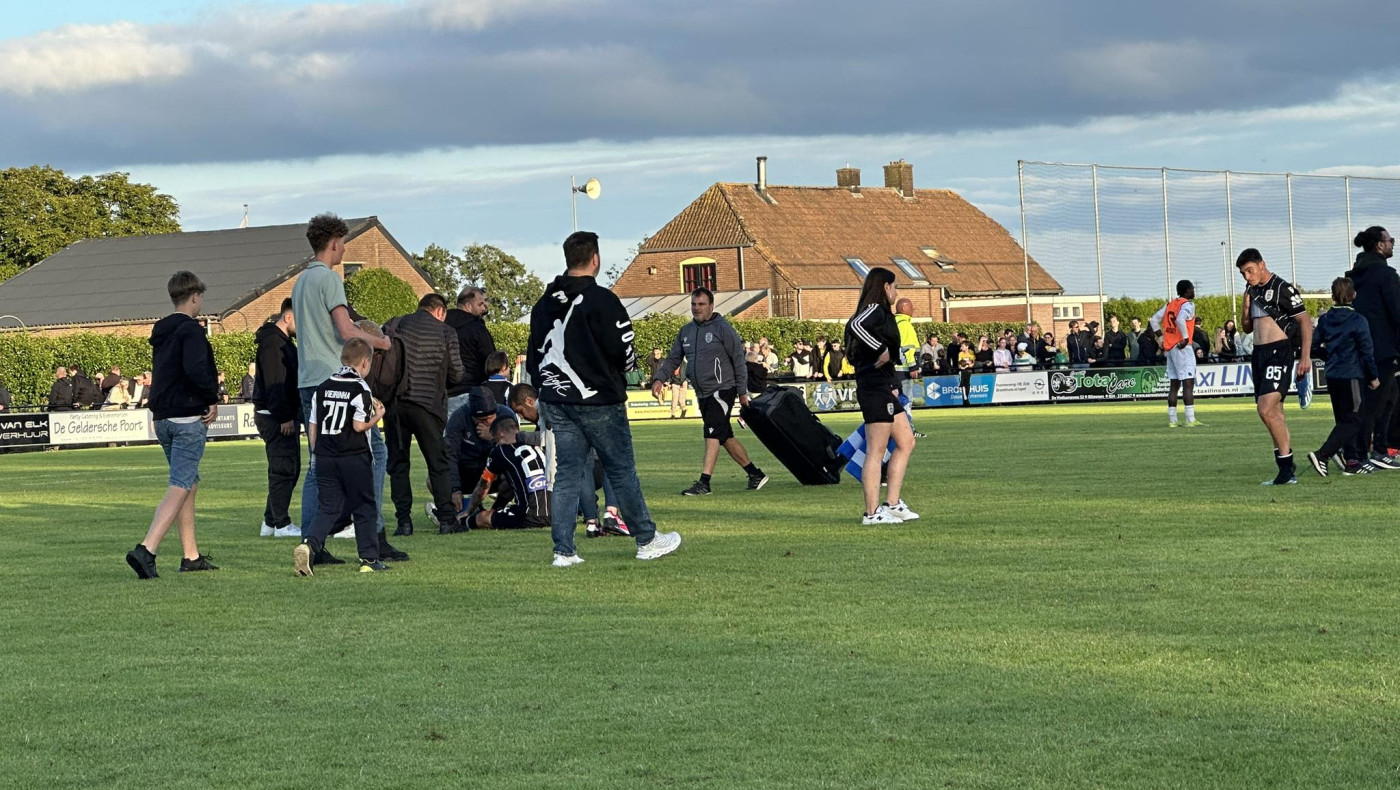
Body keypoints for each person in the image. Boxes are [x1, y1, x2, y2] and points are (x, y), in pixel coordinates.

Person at [526, 230, 681, 566]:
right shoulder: (602, 299)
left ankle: (563, 550)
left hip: (557, 399)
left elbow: (534, 353)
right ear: (595, 259)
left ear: (568, 259)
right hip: (598, 399)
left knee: (567, 473)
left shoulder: (543, 304)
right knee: (621, 469)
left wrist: (545, 387)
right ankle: (646, 538)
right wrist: (622, 372)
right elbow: (623, 347)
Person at [290, 213, 399, 562]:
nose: (344, 249)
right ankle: (375, 534)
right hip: (336, 376)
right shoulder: (330, 280)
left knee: (317, 460)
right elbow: (346, 330)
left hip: (308, 378)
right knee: (375, 451)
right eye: (344, 243)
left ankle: (312, 543)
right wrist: (381, 343)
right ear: (335, 243)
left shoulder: (300, 281)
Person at [124, 271, 220, 579]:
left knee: (188, 482)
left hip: (163, 417)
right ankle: (147, 549)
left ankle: (190, 556)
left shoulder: (161, 331)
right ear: (195, 296)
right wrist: (211, 398)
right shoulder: (192, 331)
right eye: (201, 298)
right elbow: (196, 369)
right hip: (187, 416)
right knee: (180, 484)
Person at [651, 287, 769, 496]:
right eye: (694, 305)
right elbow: (673, 359)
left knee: (712, 433)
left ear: (711, 306)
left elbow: (738, 361)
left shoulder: (723, 329)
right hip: (702, 392)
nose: (696, 308)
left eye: (701, 304)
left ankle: (704, 482)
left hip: (722, 390)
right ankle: (755, 474)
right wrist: (659, 378)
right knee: (723, 436)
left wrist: (742, 391)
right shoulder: (685, 331)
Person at [293, 338, 390, 575]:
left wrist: (316, 454)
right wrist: (379, 415)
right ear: (366, 362)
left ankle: (310, 544)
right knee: (364, 507)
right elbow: (358, 426)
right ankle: (369, 558)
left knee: (328, 508)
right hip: (353, 457)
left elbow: (312, 426)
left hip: (325, 457)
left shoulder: (323, 387)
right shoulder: (361, 388)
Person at [383, 292, 466, 533]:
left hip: (395, 406)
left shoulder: (395, 324)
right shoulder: (446, 332)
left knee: (398, 464)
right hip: (428, 405)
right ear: (441, 312)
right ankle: (447, 520)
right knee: (438, 463)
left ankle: (403, 522)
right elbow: (457, 374)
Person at [845, 267, 919, 524]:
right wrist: (880, 349)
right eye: (894, 286)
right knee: (876, 450)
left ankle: (893, 503)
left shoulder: (883, 314)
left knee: (906, 441)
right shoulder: (873, 309)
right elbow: (855, 325)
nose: (896, 292)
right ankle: (871, 513)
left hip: (885, 386)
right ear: (885, 287)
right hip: (873, 387)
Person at [1238, 247, 1312, 486]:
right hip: (1258, 354)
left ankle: (1286, 467)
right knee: (1275, 413)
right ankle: (1285, 468)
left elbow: (1305, 321)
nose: (1247, 276)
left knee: (1266, 409)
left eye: (1250, 270)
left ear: (1262, 264)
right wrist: (1246, 309)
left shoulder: (1282, 287)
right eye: (1243, 273)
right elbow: (1247, 328)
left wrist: (1305, 357)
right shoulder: (1251, 290)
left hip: (1279, 351)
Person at [1307, 277, 1379, 477]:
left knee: (1342, 419)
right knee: (1354, 419)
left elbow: (1314, 346)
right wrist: (1373, 376)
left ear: (1332, 296)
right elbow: (1367, 351)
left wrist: (1328, 356)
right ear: (1353, 295)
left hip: (1332, 375)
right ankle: (1323, 454)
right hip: (1352, 374)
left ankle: (1352, 461)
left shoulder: (1326, 319)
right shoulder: (1358, 320)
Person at [1344, 226, 1400, 470]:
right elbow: (1397, 312)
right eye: (1390, 241)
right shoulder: (1386, 276)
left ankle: (1378, 448)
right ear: (1379, 245)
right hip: (1383, 348)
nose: (1392, 244)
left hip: (1358, 347)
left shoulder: (1353, 275)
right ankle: (1361, 455)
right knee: (1373, 403)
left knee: (1389, 397)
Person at [253, 298, 302, 538]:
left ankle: (271, 521)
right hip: (275, 416)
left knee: (288, 467)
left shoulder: (279, 341)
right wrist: (284, 417)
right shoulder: (274, 344)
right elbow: (275, 383)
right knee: (284, 468)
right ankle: (281, 524)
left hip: (277, 414)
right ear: (288, 317)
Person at [458, 415, 552, 530]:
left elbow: (483, 487)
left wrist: (469, 510)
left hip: (530, 515)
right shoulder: (536, 443)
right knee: (508, 482)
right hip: (556, 514)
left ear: (500, 433)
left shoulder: (501, 451)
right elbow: (508, 487)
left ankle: (459, 521)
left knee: (483, 517)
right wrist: (495, 508)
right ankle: (496, 511)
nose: (496, 444)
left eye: (495, 440)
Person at [446, 387, 515, 527]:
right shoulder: (458, 417)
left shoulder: (506, 415)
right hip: (466, 473)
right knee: (433, 480)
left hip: (493, 474)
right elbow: (450, 454)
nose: (485, 422)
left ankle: (495, 510)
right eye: (480, 420)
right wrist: (455, 489)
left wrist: (493, 438)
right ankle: (456, 511)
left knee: (512, 477)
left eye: (489, 418)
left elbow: (514, 451)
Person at [1151, 280, 1202, 428]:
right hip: (1182, 347)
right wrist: (1185, 338)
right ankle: (1190, 419)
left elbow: (1154, 320)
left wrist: (1161, 338)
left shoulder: (1170, 304)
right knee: (1188, 383)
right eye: (1192, 289)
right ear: (1186, 291)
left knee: (1174, 385)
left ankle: (1172, 420)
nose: (1194, 292)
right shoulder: (1188, 305)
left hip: (1170, 348)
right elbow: (1180, 319)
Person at [444, 286, 496, 417]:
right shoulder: (476, 327)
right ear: (468, 306)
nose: (484, 308)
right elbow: (490, 358)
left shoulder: (441, 325)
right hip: (469, 388)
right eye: (480, 304)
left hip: (443, 392)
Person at [894, 298, 919, 367]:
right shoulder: (904, 324)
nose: (913, 309)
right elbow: (908, 347)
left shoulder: (894, 322)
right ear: (903, 308)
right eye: (911, 307)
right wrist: (913, 366)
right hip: (906, 367)